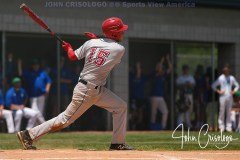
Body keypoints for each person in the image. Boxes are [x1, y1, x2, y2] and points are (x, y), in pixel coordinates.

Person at [17, 17, 133, 150]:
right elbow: (106, 50)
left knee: (120, 107)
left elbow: (73, 56)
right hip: (87, 91)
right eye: (120, 30)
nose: (123, 32)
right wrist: (96, 39)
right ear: (113, 33)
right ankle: (28, 135)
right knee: (64, 120)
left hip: (97, 90)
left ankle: (117, 143)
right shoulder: (119, 49)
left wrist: (69, 48)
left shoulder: (91, 43)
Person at [18, 59, 51, 124]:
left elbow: (49, 81)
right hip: (33, 96)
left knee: (39, 113)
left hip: (41, 95)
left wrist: (47, 89)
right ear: (32, 66)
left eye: (37, 65)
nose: (36, 66)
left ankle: (37, 129)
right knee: (35, 112)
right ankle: (45, 125)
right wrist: (19, 65)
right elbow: (21, 74)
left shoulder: (42, 73)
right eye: (34, 65)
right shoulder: (29, 73)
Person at [212, 64, 239, 132]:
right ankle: (221, 126)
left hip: (229, 96)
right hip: (222, 96)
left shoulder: (231, 78)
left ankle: (228, 127)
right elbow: (213, 85)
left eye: (227, 70)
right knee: (222, 111)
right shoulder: (221, 78)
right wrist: (219, 91)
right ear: (223, 71)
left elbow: (237, 85)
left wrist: (234, 91)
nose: (226, 71)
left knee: (229, 111)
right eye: (225, 70)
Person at [150, 55, 172, 130]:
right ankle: (152, 128)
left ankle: (163, 127)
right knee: (154, 113)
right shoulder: (155, 74)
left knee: (165, 111)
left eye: (162, 68)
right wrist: (162, 61)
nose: (161, 69)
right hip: (154, 97)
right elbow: (158, 68)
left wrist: (168, 60)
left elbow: (170, 69)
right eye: (160, 68)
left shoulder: (163, 75)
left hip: (161, 97)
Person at [129, 62, 147, 130]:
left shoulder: (143, 77)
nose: (138, 69)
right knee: (133, 111)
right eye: (137, 68)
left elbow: (155, 73)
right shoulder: (132, 76)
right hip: (134, 98)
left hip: (141, 98)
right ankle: (132, 125)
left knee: (140, 112)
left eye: (139, 68)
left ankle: (139, 126)